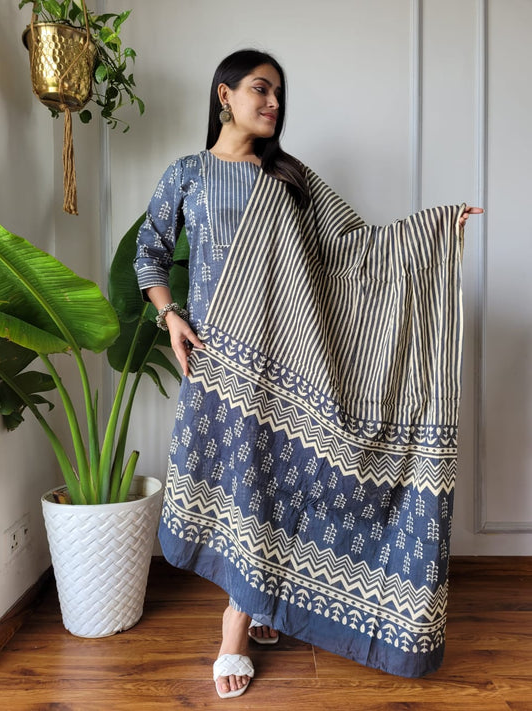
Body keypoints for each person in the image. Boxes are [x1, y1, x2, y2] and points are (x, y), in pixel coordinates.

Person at [134, 48, 482, 699]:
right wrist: (169, 315)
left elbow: (354, 249)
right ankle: (261, 601)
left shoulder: (290, 178)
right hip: (219, 361)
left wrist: (436, 230)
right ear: (224, 95)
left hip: (288, 360)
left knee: (274, 490)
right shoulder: (188, 174)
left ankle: (235, 628)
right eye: (260, 89)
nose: (272, 103)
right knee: (239, 491)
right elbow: (148, 250)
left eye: (278, 94)